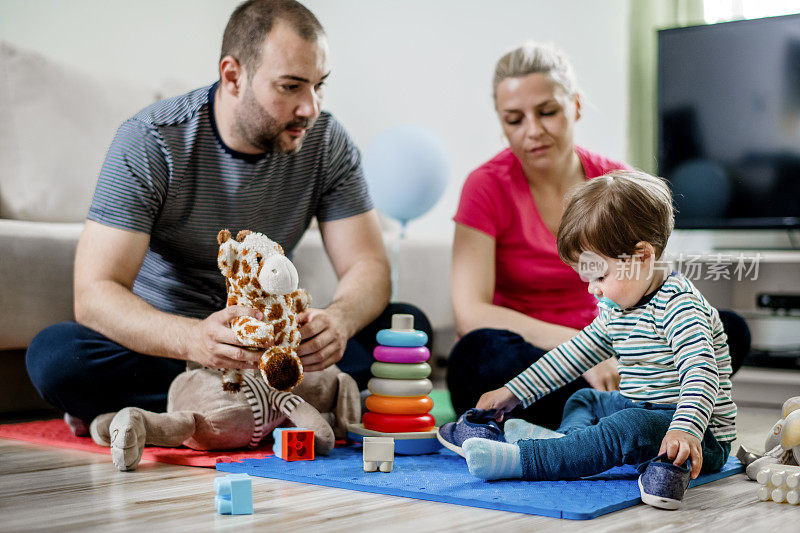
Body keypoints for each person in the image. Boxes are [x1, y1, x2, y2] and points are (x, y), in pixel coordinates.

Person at [25, 0, 430, 435]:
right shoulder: (150, 142)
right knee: (57, 358)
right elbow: (95, 293)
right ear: (233, 76)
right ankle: (277, 403)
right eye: (291, 87)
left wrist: (340, 321)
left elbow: (367, 265)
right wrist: (195, 339)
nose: (310, 107)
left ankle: (211, 412)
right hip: (168, 347)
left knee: (405, 327)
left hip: (274, 350)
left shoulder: (326, 142)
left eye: (319, 86)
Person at [446, 41, 749, 428]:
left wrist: (625, 348)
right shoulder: (485, 187)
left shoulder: (617, 182)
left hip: (624, 347)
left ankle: (611, 413)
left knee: (723, 328)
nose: (533, 131)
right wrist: (587, 354)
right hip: (536, 356)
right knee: (478, 353)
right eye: (514, 119)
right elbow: (470, 313)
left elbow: (651, 280)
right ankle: (626, 414)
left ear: (575, 105)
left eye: (548, 112)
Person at [462, 170, 736, 488]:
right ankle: (572, 444)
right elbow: (571, 356)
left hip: (697, 434)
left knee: (629, 425)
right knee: (585, 399)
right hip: (639, 408)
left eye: (600, 276)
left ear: (643, 256)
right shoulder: (616, 309)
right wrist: (513, 393)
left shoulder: (680, 307)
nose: (592, 289)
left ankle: (529, 459)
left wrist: (685, 429)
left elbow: (702, 376)